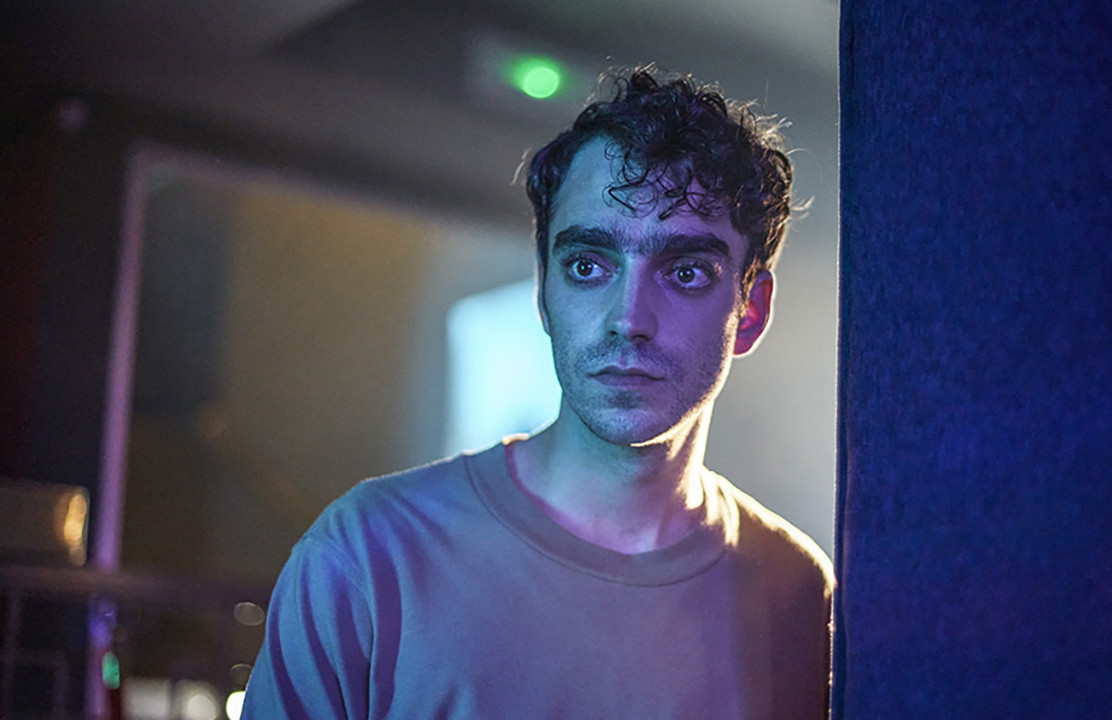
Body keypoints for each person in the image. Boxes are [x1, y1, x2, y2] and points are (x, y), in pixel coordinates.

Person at [241, 65, 833, 720]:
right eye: (587, 265)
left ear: (751, 311)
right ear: (544, 293)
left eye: (686, 272)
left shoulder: (799, 592)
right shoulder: (367, 556)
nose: (628, 318)